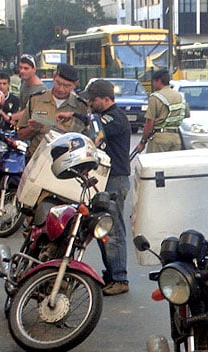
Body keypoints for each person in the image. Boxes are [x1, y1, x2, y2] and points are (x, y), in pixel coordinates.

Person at [57, 80, 131, 296]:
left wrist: (82, 118)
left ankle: (120, 277)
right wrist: (75, 116)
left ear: (106, 99)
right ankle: (111, 274)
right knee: (101, 229)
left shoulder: (116, 119)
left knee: (113, 230)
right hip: (104, 180)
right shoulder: (102, 117)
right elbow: (93, 121)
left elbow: (96, 134)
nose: (89, 103)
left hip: (115, 180)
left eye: (93, 99)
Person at [17, 63, 87, 158]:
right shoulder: (36, 99)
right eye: (58, 83)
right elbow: (20, 135)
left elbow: (86, 140)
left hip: (66, 163)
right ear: (54, 77)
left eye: (67, 86)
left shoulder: (80, 107)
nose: (61, 89)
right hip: (36, 160)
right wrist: (33, 129)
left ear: (75, 85)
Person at [136, 69, 188, 154]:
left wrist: (143, 142)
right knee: (171, 166)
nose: (153, 84)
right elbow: (186, 114)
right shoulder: (180, 96)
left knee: (154, 165)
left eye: (154, 82)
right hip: (176, 138)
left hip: (160, 139)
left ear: (159, 81)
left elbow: (150, 123)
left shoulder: (155, 97)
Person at [11, 54, 47, 125]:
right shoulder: (24, 82)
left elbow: (28, 111)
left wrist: (10, 117)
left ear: (34, 69)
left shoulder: (40, 90)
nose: (22, 71)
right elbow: (22, 107)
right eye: (20, 68)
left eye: (26, 68)